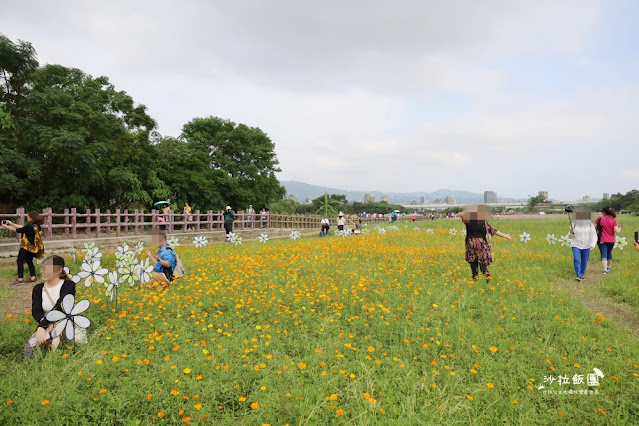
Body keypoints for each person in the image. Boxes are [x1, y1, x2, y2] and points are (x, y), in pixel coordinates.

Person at [25, 255, 77, 358]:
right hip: (46, 324)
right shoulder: (38, 288)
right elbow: (36, 311)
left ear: (59, 270)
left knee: (64, 351)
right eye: (42, 268)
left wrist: (42, 326)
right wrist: (43, 325)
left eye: (47, 269)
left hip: (64, 322)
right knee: (29, 351)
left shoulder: (68, 285)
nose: (43, 272)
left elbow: (60, 307)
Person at [459, 205, 513, 282]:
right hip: (471, 247)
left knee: (483, 268)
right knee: (473, 268)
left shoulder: (484, 223)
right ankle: (475, 283)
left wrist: (505, 236)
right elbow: (461, 214)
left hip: (481, 247)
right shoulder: (468, 221)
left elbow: (493, 231)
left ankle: (488, 282)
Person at [2, 211, 45, 285]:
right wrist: (11, 223)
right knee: (29, 261)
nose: (27, 218)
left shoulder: (29, 227)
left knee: (20, 261)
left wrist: (6, 227)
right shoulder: (37, 226)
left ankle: (20, 278)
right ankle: (33, 277)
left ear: (31, 218)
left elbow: (17, 230)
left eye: (28, 217)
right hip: (33, 248)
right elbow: (23, 228)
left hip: (26, 247)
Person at [569, 209, 597, 281]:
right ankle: (578, 275)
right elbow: (570, 236)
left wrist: (593, 244)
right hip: (576, 244)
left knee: (584, 261)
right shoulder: (574, 224)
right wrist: (571, 232)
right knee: (577, 259)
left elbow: (594, 235)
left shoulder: (590, 225)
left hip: (587, 245)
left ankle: (582, 274)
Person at [595, 207, 621, 275]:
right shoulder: (614, 220)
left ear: (604, 212)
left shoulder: (600, 219)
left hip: (602, 239)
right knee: (609, 253)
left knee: (603, 254)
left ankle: (605, 269)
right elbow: (617, 231)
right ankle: (609, 267)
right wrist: (620, 227)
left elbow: (594, 228)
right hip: (611, 240)